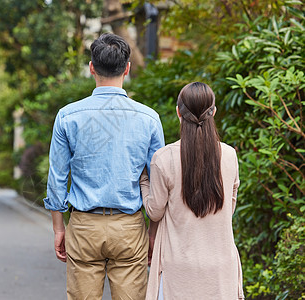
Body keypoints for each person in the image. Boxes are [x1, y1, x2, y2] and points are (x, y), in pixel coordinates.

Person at [43, 33, 165, 300]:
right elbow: (158, 184)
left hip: (84, 225)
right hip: (129, 227)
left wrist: (59, 228)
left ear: (91, 68)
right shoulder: (149, 118)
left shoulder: (68, 116)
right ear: (127, 68)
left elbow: (57, 178)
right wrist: (153, 234)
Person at [140, 82, 244, 299]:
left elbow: (154, 212)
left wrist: (144, 182)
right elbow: (229, 209)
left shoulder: (164, 158)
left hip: (178, 271)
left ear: (178, 112)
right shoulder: (229, 155)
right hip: (221, 269)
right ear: (213, 112)